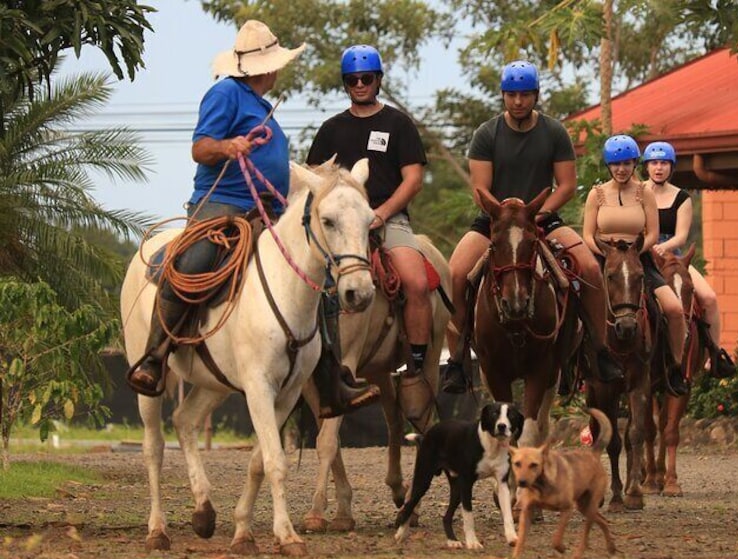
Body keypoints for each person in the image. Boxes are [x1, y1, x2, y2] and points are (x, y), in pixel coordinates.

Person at [128, 21, 379, 417]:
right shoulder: (225, 92)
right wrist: (228, 146)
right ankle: (155, 356)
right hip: (222, 207)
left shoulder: (264, 108)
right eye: (275, 64)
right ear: (265, 68)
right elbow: (200, 147)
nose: (278, 70)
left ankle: (332, 381)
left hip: (269, 211)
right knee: (193, 262)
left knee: (321, 276)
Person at [442, 60, 624, 394]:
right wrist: (507, 216)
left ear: (536, 95)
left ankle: (598, 350)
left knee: (589, 269)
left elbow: (567, 185)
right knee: (455, 273)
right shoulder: (486, 134)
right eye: (512, 95)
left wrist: (537, 214)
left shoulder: (554, 132)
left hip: (541, 217)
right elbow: (480, 190)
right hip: (495, 220)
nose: (518, 101)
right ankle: (458, 358)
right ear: (503, 96)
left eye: (525, 94)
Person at [306, 45, 433, 392]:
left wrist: (382, 213)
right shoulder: (331, 129)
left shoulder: (398, 123)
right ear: (346, 84)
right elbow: (314, 178)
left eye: (366, 78)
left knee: (417, 282)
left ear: (378, 80)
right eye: (353, 79)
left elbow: (413, 179)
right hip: (339, 223)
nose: (360, 84)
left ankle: (417, 361)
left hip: (387, 218)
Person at [582, 134, 689, 396]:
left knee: (674, 309)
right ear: (609, 166)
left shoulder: (644, 193)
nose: (621, 169)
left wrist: (633, 252)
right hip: (603, 258)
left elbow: (652, 233)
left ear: (634, 165)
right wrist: (607, 254)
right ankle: (569, 370)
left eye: (627, 164)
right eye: (616, 164)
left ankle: (674, 367)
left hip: (637, 258)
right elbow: (587, 234)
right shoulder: (596, 195)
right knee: (575, 304)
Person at [642, 141, 735, 378]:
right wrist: (648, 247)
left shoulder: (681, 197)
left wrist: (663, 247)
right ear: (647, 166)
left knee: (709, 297)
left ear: (671, 168)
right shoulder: (636, 192)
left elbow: (682, 236)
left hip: (674, 258)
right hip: (642, 256)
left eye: (664, 163)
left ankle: (714, 354)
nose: (659, 168)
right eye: (654, 163)